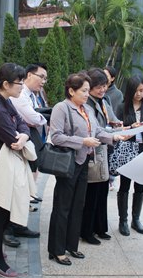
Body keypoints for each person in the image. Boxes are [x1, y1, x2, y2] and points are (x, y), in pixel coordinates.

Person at [47, 73, 122, 266]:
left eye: (88, 90)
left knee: (78, 205)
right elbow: (56, 137)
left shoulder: (87, 109)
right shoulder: (61, 108)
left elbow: (97, 132)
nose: (87, 94)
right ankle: (57, 250)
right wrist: (82, 141)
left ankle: (71, 245)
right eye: (84, 91)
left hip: (83, 163)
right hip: (68, 163)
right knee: (63, 207)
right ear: (71, 91)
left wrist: (114, 137)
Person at [0, 63, 31, 278]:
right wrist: (20, 136)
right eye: (19, 83)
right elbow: (12, 138)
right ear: (6, 84)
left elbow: (23, 125)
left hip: (3, 160)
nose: (22, 86)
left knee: (1, 212)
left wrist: (24, 136)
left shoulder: (5, 102)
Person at [5, 63, 48, 242]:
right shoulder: (15, 97)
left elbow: (29, 120)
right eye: (41, 77)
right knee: (12, 193)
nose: (44, 81)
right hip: (11, 152)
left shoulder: (34, 95)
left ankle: (18, 225)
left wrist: (36, 119)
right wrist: (42, 118)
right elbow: (31, 117)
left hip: (28, 144)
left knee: (23, 190)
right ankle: (7, 230)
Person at [115, 75, 143, 236]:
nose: (138, 94)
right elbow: (116, 129)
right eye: (135, 91)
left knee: (140, 185)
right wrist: (131, 127)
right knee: (124, 185)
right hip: (127, 149)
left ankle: (135, 219)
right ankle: (123, 220)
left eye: (141, 90)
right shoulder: (122, 107)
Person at [80, 68, 118, 245]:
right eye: (98, 87)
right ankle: (87, 231)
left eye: (105, 85)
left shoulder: (103, 101)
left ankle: (99, 227)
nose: (102, 89)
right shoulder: (88, 104)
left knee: (102, 191)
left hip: (103, 150)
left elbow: (111, 120)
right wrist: (112, 132)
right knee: (92, 194)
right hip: (93, 152)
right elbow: (95, 129)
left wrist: (119, 127)